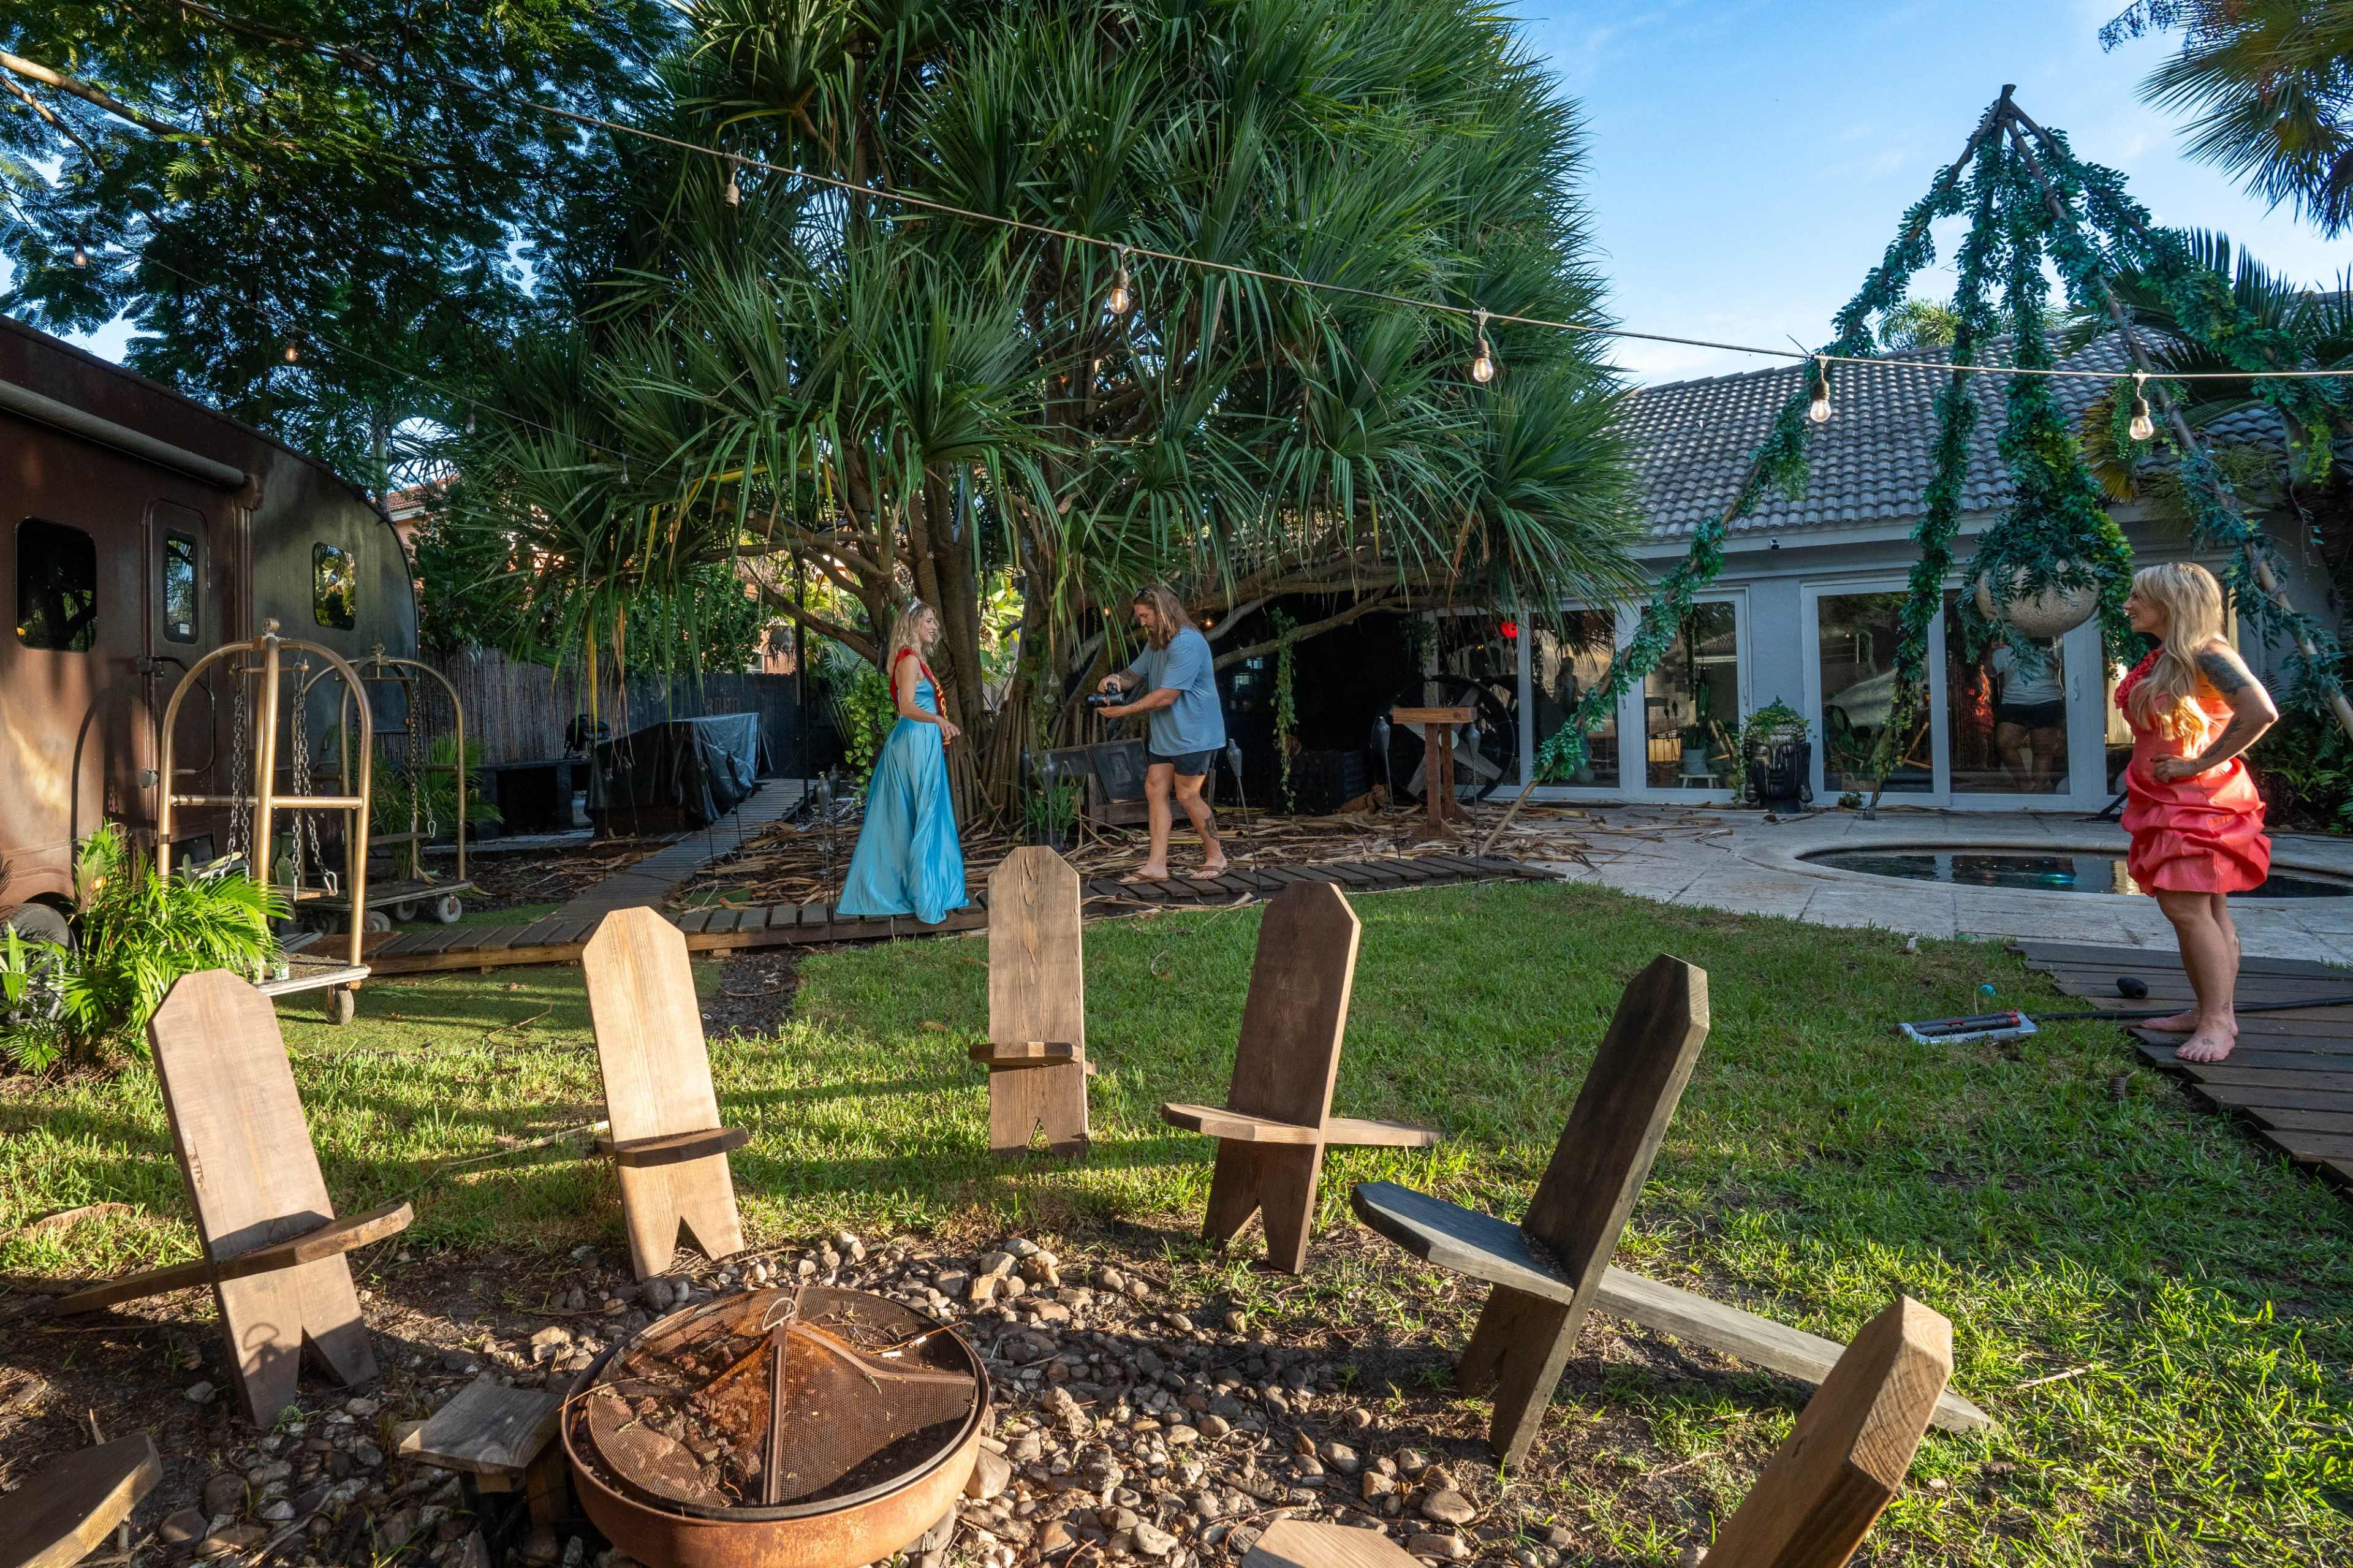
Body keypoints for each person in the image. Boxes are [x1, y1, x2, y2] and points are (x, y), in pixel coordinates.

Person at [2115, 562, 2278, 1064]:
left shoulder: (2209, 652)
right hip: (2170, 801)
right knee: (2207, 909)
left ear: (2172, 603)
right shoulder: (2174, 655)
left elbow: (2261, 711)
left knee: (2188, 910)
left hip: (2199, 803)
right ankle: (2212, 1008)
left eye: (2139, 596)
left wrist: (2197, 763)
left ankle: (2216, 1023)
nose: (2128, 604)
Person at [838, 601, 968, 924]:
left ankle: (921, 889)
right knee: (923, 814)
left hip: (921, 742)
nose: (934, 625)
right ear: (912, 625)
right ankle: (924, 896)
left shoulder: (915, 660)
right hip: (915, 740)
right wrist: (938, 720)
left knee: (916, 815)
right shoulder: (909, 661)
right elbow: (907, 707)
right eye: (928, 620)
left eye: (934, 618)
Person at [1096, 584, 1227, 882]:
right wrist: (1114, 679)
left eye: (1145, 616)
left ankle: (1216, 855)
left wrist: (1125, 710)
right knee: (1155, 789)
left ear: (1162, 611)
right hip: (1167, 734)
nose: (1142, 622)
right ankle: (1157, 865)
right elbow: (1134, 674)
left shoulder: (1186, 643)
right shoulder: (1156, 642)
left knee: (1187, 794)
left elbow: (1167, 695)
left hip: (1194, 733)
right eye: (1139, 617)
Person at [1990, 638, 2067, 791]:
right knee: (2004, 744)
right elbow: (1991, 672)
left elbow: (2068, 667)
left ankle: (2037, 791)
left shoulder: (2053, 647)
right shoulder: (2007, 648)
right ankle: (2024, 783)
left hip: (2047, 700)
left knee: (2043, 749)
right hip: (2013, 701)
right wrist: (1991, 651)